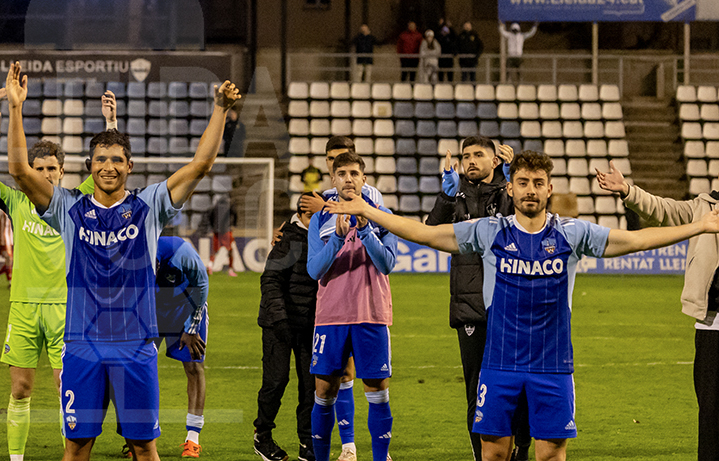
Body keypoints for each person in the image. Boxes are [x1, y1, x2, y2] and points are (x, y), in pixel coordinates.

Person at [324, 150, 719, 461]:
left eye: (539, 183)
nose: (531, 189)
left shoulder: (573, 233)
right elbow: (425, 233)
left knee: (550, 454)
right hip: (498, 365)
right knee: (493, 452)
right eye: (523, 182)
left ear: (550, 190)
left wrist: (699, 226)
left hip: (553, 366)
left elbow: (635, 241)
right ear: (510, 188)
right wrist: (367, 210)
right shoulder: (489, 231)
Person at [4, 61, 241, 461]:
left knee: (143, 448)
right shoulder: (67, 208)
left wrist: (218, 109)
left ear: (129, 166)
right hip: (81, 345)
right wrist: (14, 109)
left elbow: (200, 166)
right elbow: (18, 170)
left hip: (135, 345)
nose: (108, 166)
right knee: (77, 447)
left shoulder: (149, 205)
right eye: (100, 160)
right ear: (90, 167)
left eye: (116, 159)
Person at [0, 90, 116, 461]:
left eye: (53, 169)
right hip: (23, 307)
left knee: (68, 388)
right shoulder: (15, 200)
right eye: (40, 169)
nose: (47, 174)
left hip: (66, 308)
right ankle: (16, 459)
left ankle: (72, 455)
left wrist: (111, 124)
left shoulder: (77, 202)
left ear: (62, 172)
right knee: (20, 389)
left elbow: (107, 172)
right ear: (31, 172)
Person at [595, 161, 719, 461]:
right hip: (712, 326)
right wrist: (627, 190)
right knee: (712, 411)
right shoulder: (705, 206)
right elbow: (662, 210)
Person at [426, 138, 529, 461]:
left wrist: (516, 181)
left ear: (496, 160)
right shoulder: (455, 194)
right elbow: (432, 233)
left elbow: (531, 223)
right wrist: (445, 195)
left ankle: (522, 449)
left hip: (512, 305)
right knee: (477, 391)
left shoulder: (509, 190)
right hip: (470, 307)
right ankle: (481, 456)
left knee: (521, 388)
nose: (470, 160)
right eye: (466, 155)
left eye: (478, 154)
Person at [298, 137, 386, 461]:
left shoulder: (379, 210)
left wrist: (365, 229)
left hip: (370, 312)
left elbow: (388, 263)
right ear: (332, 179)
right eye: (341, 172)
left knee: (376, 389)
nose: (348, 178)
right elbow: (314, 270)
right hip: (332, 314)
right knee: (324, 390)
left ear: (363, 178)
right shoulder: (321, 217)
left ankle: (375, 453)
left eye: (354, 172)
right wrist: (336, 237)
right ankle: (331, 452)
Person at [255, 196, 320, 461]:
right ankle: (263, 437)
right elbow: (270, 280)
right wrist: (280, 319)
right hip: (278, 325)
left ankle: (308, 443)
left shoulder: (322, 237)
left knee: (310, 388)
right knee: (276, 381)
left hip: (310, 326)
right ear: (304, 214)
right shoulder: (290, 240)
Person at [154, 235, 210, 458]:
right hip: (154, 308)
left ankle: (193, 438)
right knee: (139, 368)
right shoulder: (131, 252)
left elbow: (202, 283)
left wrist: (192, 327)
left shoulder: (180, 250)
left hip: (185, 306)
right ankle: (141, 436)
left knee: (194, 367)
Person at [204, 195, 238, 277]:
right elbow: (235, 214)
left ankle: (210, 266)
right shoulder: (229, 206)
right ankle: (230, 270)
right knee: (230, 250)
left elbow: (210, 217)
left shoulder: (214, 207)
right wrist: (234, 224)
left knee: (214, 251)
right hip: (226, 231)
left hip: (216, 232)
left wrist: (213, 227)